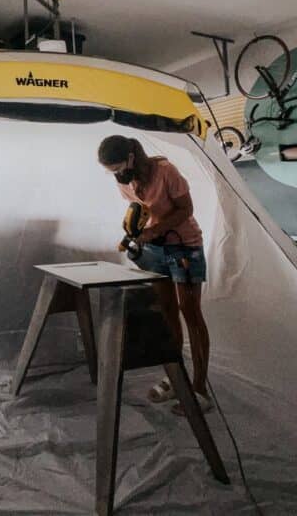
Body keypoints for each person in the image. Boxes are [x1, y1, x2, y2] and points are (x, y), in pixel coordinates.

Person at [98, 135, 212, 415]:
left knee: (190, 312)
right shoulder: (126, 182)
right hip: (154, 251)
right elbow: (142, 211)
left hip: (183, 246)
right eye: (111, 171)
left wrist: (156, 230)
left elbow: (187, 210)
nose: (116, 174)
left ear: (131, 157)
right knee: (167, 314)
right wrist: (136, 229)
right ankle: (176, 379)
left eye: (117, 168)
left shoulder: (165, 171)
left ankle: (199, 389)